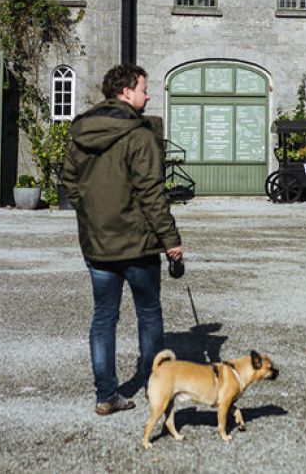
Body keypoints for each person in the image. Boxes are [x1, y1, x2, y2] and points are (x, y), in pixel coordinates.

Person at [62, 64, 183, 416]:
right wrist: (171, 240)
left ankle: (106, 395)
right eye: (144, 89)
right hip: (138, 244)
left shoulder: (81, 131)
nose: (148, 96)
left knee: (103, 318)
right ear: (126, 92)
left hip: (98, 244)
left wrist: (91, 216)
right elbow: (152, 194)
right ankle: (154, 387)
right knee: (148, 314)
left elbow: (70, 182)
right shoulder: (139, 134)